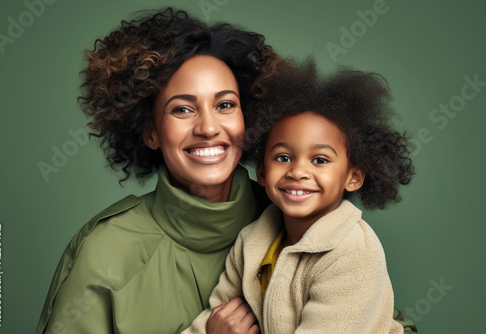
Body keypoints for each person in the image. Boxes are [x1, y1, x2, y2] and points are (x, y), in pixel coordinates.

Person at [36, 8, 417, 334]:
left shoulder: (304, 220)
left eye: (226, 105)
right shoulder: (105, 251)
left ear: (248, 120)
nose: (207, 127)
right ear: (150, 131)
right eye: (182, 109)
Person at [184, 61, 417, 333]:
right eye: (283, 158)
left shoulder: (354, 253)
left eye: (319, 159)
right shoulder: (253, 240)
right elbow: (214, 316)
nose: (297, 171)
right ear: (261, 172)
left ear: (353, 177)